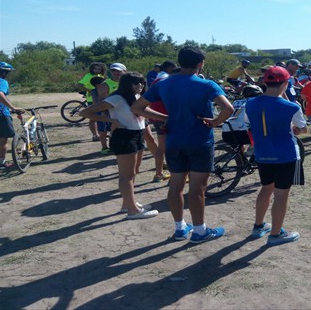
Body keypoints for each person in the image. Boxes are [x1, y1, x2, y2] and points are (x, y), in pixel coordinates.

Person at [132, 46, 234, 243]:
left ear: (180, 62)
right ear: (200, 64)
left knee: (175, 186)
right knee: (197, 189)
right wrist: (214, 122)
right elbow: (228, 108)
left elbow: (137, 107)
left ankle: (180, 228)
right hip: (200, 142)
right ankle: (200, 231)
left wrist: (165, 118)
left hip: (174, 142)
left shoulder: (163, 84)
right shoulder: (207, 85)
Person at [79, 72, 159, 219]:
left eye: (141, 82)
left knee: (134, 172)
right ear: (127, 84)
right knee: (126, 175)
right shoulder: (116, 98)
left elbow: (145, 112)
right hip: (124, 136)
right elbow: (84, 112)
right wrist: (111, 121)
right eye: (136, 83)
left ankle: (128, 204)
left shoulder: (136, 97)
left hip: (138, 134)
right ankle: (133, 211)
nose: (140, 86)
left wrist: (167, 117)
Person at [243, 66, 308, 246]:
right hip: (285, 155)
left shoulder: (250, 103)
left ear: (265, 82)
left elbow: (249, 123)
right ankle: (276, 234)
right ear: (286, 83)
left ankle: (259, 226)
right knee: (281, 195)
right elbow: (302, 128)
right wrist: (296, 129)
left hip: (263, 154)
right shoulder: (291, 107)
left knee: (266, 188)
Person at [147, 61, 178, 183]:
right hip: (167, 116)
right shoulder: (170, 81)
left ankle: (158, 174)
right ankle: (175, 176)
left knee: (162, 147)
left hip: (156, 115)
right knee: (174, 147)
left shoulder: (158, 79)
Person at [95, 63, 127, 154]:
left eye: (118, 71)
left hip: (123, 111)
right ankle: (104, 148)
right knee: (103, 130)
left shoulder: (129, 82)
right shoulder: (105, 84)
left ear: (125, 71)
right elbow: (101, 100)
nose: (116, 73)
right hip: (109, 111)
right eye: (113, 71)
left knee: (121, 129)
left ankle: (119, 145)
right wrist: (103, 112)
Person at [221, 84, 263, 153]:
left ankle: (241, 161)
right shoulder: (255, 102)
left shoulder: (236, 102)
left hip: (226, 133)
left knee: (239, 151)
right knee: (264, 138)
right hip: (244, 134)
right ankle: (255, 155)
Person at [0, 62, 25, 170]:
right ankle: (1, 163)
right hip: (0, 114)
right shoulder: (2, 81)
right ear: (4, 72)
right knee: (2, 139)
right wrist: (13, 108)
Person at [77, 62, 107, 141]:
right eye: (95, 69)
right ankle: (95, 135)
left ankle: (103, 133)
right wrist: (89, 91)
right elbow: (79, 84)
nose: (97, 70)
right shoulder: (88, 76)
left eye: (99, 69)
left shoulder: (101, 76)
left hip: (101, 98)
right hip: (92, 99)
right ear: (92, 68)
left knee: (103, 116)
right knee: (93, 118)